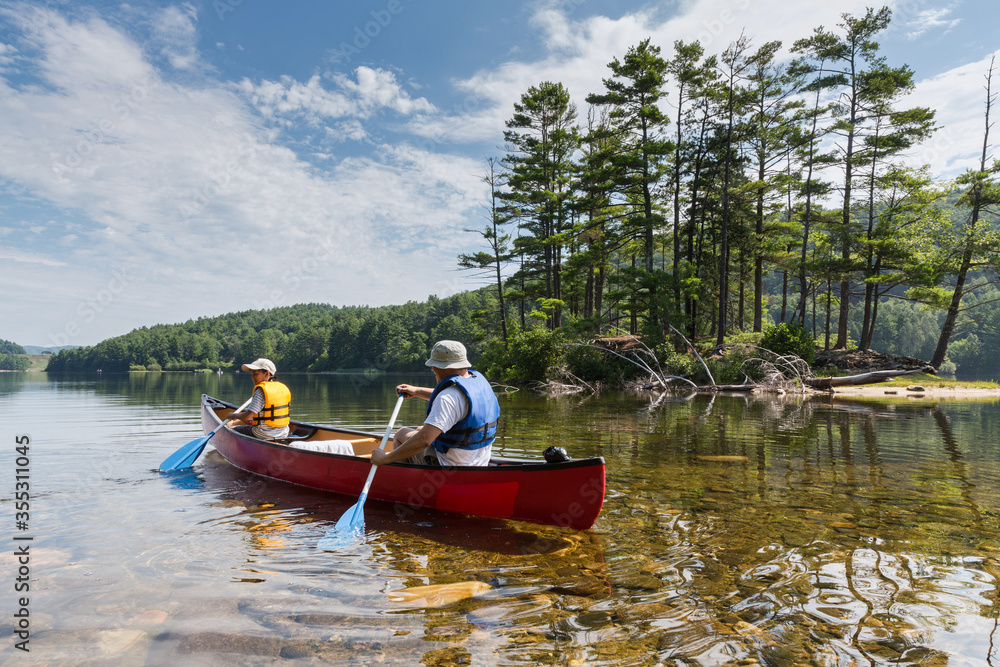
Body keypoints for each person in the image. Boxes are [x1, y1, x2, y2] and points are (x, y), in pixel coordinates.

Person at [371, 340, 500, 467]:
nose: (432, 369)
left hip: (449, 465)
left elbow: (424, 440)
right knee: (420, 429)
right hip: (479, 462)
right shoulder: (478, 385)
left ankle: (405, 483)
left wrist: (384, 458)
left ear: (446, 368)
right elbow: (455, 401)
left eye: (435, 365)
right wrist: (417, 391)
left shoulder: (447, 397)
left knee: (401, 433)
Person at [225, 358, 291, 441]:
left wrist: (233, 415)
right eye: (252, 374)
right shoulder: (283, 388)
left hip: (263, 435)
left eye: (255, 374)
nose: (252, 378)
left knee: (232, 429)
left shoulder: (260, 391)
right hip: (283, 433)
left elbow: (248, 416)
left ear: (267, 373)